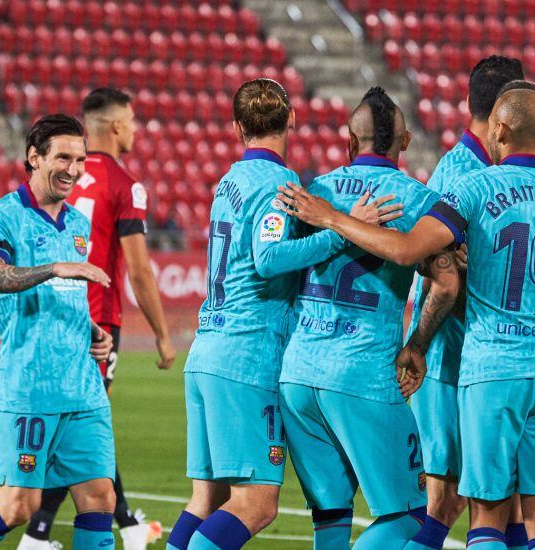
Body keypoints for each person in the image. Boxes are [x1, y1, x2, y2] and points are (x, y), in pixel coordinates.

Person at [276, 83, 535, 550]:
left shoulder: (470, 187)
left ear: (499, 129)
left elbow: (406, 250)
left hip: (481, 369)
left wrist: (335, 219)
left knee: (481, 518)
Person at [163, 78, 401, 550]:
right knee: (257, 504)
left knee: (207, 499)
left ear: (236, 128)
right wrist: (343, 231)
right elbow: (268, 258)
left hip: (207, 350)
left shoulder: (229, 181)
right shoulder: (279, 184)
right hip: (245, 358)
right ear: (292, 119)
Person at [278, 87, 459, 549]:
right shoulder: (419, 201)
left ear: (349, 142)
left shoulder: (313, 192)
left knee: (332, 517)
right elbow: (446, 282)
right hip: (364, 377)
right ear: (406, 142)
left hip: (298, 375)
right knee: (411, 518)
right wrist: (417, 345)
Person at [16, 89, 172, 550]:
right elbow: (140, 269)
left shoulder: (58, 177)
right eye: (133, 119)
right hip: (98, 317)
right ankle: (38, 531)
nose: (137, 128)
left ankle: (124, 522)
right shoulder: (124, 184)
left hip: (55, 310)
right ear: (117, 126)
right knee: (85, 424)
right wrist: (163, 334)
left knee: (87, 420)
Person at [0, 114, 118, 549]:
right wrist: (53, 268)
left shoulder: (79, 226)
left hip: (82, 388)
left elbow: (68, 297)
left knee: (100, 496)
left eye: (80, 159)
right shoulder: (2, 217)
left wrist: (91, 332)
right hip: (29, 387)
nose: (74, 169)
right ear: (34, 157)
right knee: (19, 506)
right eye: (63, 157)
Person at [401, 55, 531, 550]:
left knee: (508, 496)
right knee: (449, 501)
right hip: (450, 363)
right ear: (504, 108)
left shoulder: (486, 170)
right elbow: (443, 279)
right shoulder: (463, 176)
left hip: (478, 362)